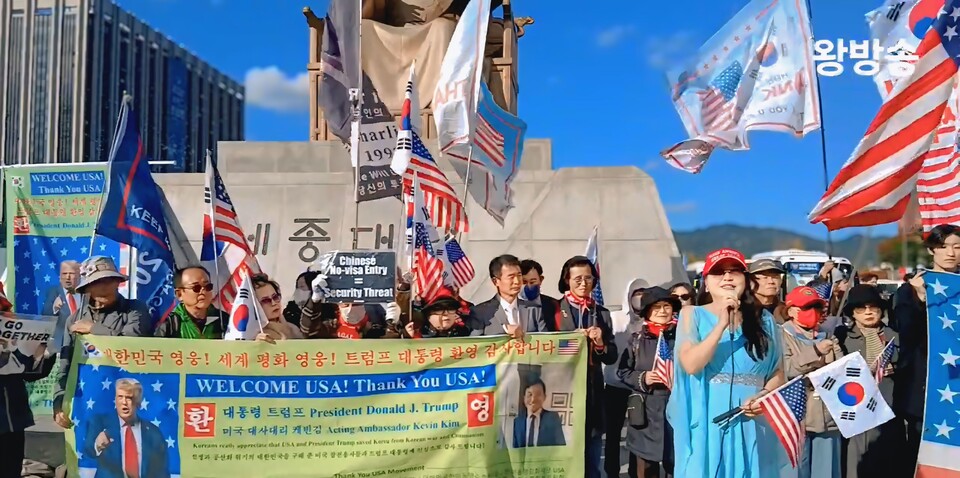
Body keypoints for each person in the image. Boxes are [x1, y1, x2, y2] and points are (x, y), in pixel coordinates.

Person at [667, 248, 786, 478]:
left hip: (754, 419)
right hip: (710, 419)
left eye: (734, 271)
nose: (728, 277)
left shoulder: (765, 320)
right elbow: (691, 364)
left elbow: (778, 372)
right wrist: (721, 323)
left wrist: (763, 394)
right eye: (719, 272)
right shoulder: (693, 314)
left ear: (746, 281)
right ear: (706, 283)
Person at [54, 256, 153, 429]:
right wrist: (59, 400)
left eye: (110, 279)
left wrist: (93, 329)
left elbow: (133, 347)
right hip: (87, 398)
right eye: (98, 281)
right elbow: (65, 364)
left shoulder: (135, 309)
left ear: (118, 282)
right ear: (87, 287)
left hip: (128, 398)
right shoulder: (74, 319)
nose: (105, 286)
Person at [894, 224, 960, 476]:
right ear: (932, 250)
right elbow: (905, 331)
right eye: (943, 247)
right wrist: (921, 298)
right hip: (926, 387)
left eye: (957, 247)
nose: (951, 253)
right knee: (920, 455)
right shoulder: (912, 287)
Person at [554, 255, 617, 478]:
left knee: (592, 461)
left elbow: (611, 356)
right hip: (559, 394)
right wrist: (570, 342)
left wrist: (599, 343)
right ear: (566, 280)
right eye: (578, 279)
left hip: (592, 392)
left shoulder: (601, 314)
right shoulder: (552, 310)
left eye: (588, 278)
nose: (583, 283)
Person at [834, 284, 904, 478]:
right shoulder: (842, 337)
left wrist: (895, 369)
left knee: (889, 462)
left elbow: (909, 368)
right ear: (852, 313)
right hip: (855, 410)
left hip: (889, 407)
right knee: (855, 463)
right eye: (861, 308)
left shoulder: (895, 336)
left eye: (873, 307)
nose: (868, 312)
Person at [617, 286, 679, 478]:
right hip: (646, 410)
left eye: (666, 306)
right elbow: (623, 371)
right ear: (647, 312)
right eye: (657, 307)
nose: (662, 311)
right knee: (645, 467)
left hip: (677, 406)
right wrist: (642, 378)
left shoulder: (684, 336)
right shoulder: (636, 340)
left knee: (676, 462)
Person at [781, 286, 843, 478]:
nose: (813, 312)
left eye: (816, 307)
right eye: (806, 307)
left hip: (827, 418)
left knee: (826, 472)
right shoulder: (781, 335)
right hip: (795, 417)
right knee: (795, 471)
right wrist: (815, 352)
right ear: (791, 310)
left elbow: (841, 368)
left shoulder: (828, 335)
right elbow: (787, 369)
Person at [0, 282, 56, 478]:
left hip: (12, 420)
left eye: (3, 310)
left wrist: (44, 352)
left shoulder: (15, 345)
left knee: (10, 471)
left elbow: (32, 373)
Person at [604, 277, 649, 478]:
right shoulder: (615, 318)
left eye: (643, 293)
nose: (639, 297)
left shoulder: (649, 320)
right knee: (613, 433)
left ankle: (634, 472)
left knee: (636, 432)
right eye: (635, 293)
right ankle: (611, 471)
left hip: (637, 387)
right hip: (614, 385)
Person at [84, 378, 169, 478]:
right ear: (115, 400)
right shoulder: (100, 422)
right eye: (120, 397)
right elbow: (88, 448)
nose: (124, 402)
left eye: (129, 398)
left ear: (138, 402)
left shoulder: (153, 433)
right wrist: (97, 445)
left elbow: (162, 472)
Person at [298, 273, 401, 339]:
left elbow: (389, 343)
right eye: (346, 305)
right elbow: (308, 332)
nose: (351, 309)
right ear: (338, 306)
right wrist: (315, 300)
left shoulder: (375, 329)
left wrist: (391, 324)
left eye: (356, 304)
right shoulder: (330, 328)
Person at [469, 255, 546, 338]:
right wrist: (504, 330)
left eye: (519, 276)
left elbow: (545, 341)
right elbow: (474, 345)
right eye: (511, 277)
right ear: (496, 281)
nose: (517, 282)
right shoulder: (481, 312)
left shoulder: (534, 309)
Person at [154, 266, 224, 339]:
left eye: (208, 287)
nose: (203, 291)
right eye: (196, 288)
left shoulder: (224, 320)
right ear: (179, 294)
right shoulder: (170, 325)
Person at [512, 379, 566, 448]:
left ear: (544, 397)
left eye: (538, 394)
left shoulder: (552, 418)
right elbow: (515, 449)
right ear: (524, 398)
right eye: (530, 395)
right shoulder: (517, 422)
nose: (533, 399)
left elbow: (560, 447)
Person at [250, 274, 305, 341]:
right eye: (266, 300)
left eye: (275, 297)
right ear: (255, 306)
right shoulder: (252, 334)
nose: (274, 303)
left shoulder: (293, 328)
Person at [403, 288, 471, 338]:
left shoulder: (467, 332)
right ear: (427, 314)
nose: (446, 313)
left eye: (450, 308)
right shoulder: (419, 336)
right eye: (439, 309)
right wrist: (409, 340)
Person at [520, 259, 561, 329]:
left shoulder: (553, 305)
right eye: (524, 282)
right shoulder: (510, 306)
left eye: (532, 282)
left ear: (541, 280)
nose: (529, 286)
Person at [750, 259, 789, 325]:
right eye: (765, 277)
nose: (771, 281)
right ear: (750, 281)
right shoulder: (743, 310)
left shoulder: (787, 311)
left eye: (775, 277)